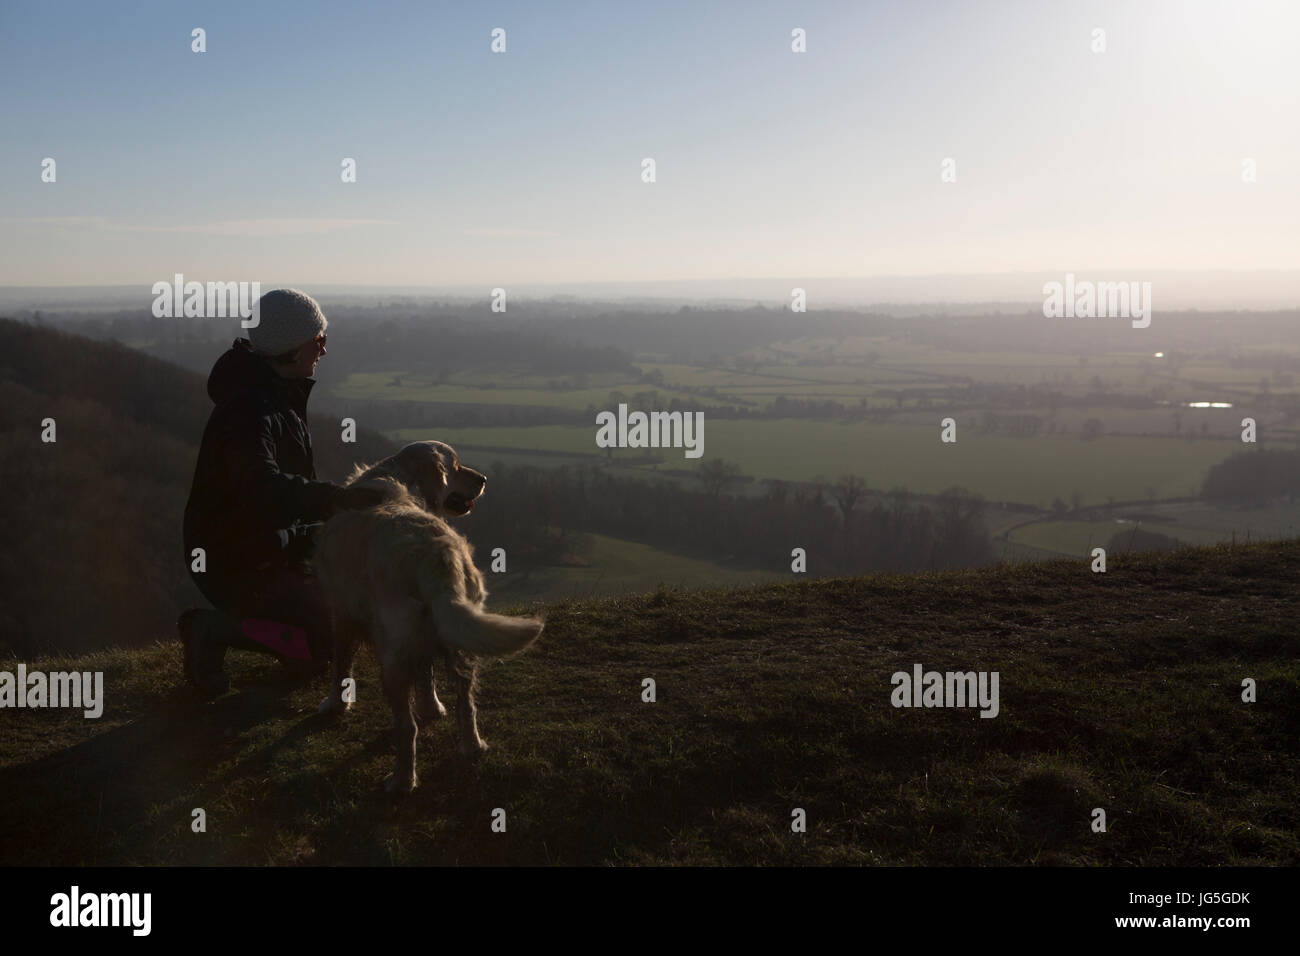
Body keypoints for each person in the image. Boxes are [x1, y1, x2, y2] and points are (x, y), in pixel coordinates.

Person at [179, 288, 387, 697]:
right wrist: (333, 500)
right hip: (235, 561)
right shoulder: (248, 411)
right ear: (293, 349)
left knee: (346, 617)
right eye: (319, 340)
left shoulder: (275, 395)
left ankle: (287, 631)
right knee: (327, 642)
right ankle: (211, 629)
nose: (324, 350)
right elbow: (261, 487)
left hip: (270, 546)